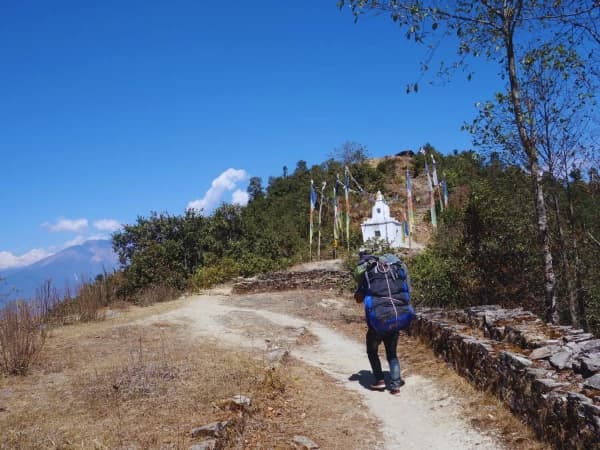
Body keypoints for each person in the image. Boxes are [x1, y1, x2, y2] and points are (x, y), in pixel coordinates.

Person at [354, 251, 408, 396]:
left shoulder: (368, 276)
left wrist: (360, 290)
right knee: (392, 354)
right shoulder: (392, 273)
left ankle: (379, 380)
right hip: (395, 318)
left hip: (377, 322)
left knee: (372, 351)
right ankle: (396, 386)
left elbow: (359, 298)